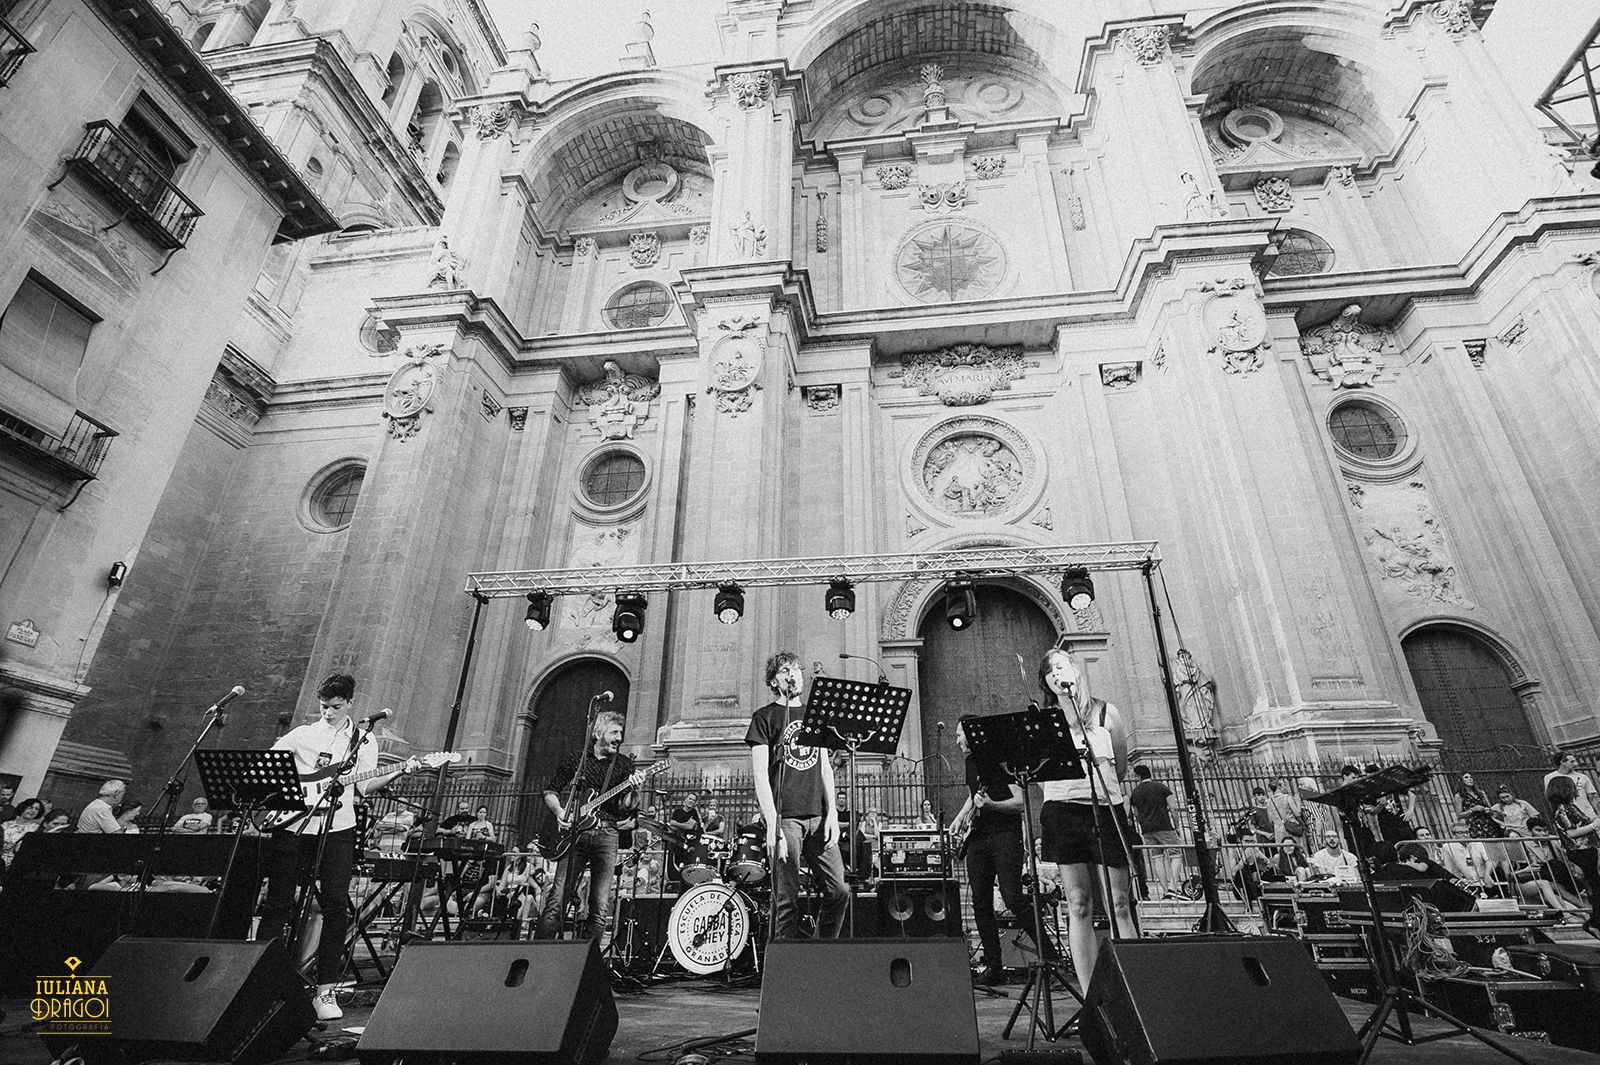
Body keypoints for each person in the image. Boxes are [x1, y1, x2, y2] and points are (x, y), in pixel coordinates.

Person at [256, 673, 413, 1021]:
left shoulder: (363, 740)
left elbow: (365, 787)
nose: (328, 713)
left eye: (336, 707)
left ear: (350, 704)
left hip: (338, 828)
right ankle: (259, 979)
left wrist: (400, 771)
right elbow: (268, 771)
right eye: (324, 706)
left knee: (335, 905)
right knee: (278, 902)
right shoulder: (301, 735)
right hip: (294, 824)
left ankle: (325, 990)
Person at [1035, 647, 1137, 992]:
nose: (1060, 674)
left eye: (1064, 666)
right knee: (1078, 903)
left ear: (1076, 670)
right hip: (1063, 812)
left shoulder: (1108, 713)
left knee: (1120, 903)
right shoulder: (1044, 721)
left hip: (1106, 810)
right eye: (1052, 671)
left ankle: (1134, 987)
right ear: (1048, 683)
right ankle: (1092, 992)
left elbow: (1120, 768)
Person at [745, 652, 849, 940]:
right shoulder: (764, 717)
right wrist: (772, 824)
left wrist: (832, 814)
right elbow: (760, 776)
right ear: (774, 681)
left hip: (818, 816)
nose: (792, 674)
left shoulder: (815, 716)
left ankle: (820, 951)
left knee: (839, 890)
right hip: (786, 819)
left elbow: (825, 767)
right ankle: (783, 970)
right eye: (784, 670)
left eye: (796, 669)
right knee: (786, 899)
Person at [951, 717, 1052, 985]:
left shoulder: (1000, 759)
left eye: (960, 734)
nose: (957, 740)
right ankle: (993, 967)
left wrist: (991, 806)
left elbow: (1020, 802)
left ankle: (1051, 959)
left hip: (1005, 835)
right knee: (980, 903)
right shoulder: (970, 762)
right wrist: (962, 815)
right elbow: (976, 793)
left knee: (1013, 897)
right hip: (978, 839)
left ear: (973, 735)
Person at [538, 709, 638, 943]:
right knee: (557, 897)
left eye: (621, 733)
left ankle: (588, 962)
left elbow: (627, 807)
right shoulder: (578, 760)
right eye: (614, 732)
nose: (619, 738)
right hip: (574, 834)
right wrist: (560, 811)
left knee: (600, 905)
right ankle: (538, 954)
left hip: (607, 833)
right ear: (597, 733)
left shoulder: (623, 765)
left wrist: (635, 789)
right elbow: (550, 789)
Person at [1547, 776, 1600, 936]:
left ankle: (1595, 922)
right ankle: (1595, 923)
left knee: (1596, 888)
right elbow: (1571, 832)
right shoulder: (1561, 809)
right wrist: (1593, 825)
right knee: (1596, 888)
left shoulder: (1570, 807)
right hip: (1580, 850)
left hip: (1588, 848)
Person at [1129, 765, 1183, 900]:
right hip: (1164, 825)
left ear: (1137, 776)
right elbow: (1173, 808)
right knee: (1176, 854)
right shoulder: (1161, 787)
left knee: (1157, 857)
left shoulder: (1135, 792)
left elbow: (1136, 814)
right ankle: (1172, 887)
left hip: (1147, 829)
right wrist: (1177, 826)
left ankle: (1165, 891)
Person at [1544, 752, 1599, 821]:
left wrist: (1598, 812)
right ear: (1562, 762)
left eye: (1575, 761)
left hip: (1588, 814)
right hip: (1568, 817)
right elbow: (1551, 797)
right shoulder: (1550, 778)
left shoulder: (1583, 777)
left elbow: (1593, 798)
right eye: (1572, 761)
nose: (1576, 764)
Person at [1439, 820, 1492, 884]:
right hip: (1466, 882)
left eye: (1467, 832)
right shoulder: (1447, 847)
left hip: (1484, 880)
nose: (1465, 835)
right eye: (1460, 833)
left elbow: (1489, 860)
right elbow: (1450, 869)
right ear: (1454, 835)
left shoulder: (1478, 843)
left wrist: (1487, 875)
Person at [2, 797, 45, 865]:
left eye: (36, 809)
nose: (33, 811)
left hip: (17, 862)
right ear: (23, 808)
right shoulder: (6, 824)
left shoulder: (36, 829)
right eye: (30, 807)